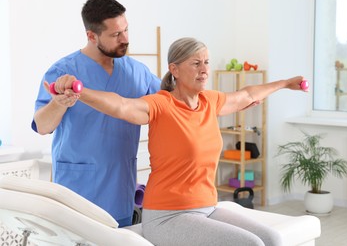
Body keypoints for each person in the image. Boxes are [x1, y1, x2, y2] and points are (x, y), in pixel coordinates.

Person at [48, 37, 307, 246]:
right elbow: (121, 105)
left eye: (206, 62)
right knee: (250, 244)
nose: (204, 69)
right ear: (175, 70)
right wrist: (80, 91)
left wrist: (285, 83)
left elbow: (247, 94)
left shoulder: (209, 102)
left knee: (273, 239)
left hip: (207, 207)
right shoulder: (162, 105)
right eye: (196, 63)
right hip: (168, 216)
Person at [31, 0, 161, 227]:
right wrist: (58, 104)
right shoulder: (63, 71)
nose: (125, 39)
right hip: (77, 190)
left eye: (126, 30)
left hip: (120, 189)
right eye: (115, 35)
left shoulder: (137, 72)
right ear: (91, 36)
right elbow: (42, 126)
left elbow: (169, 105)